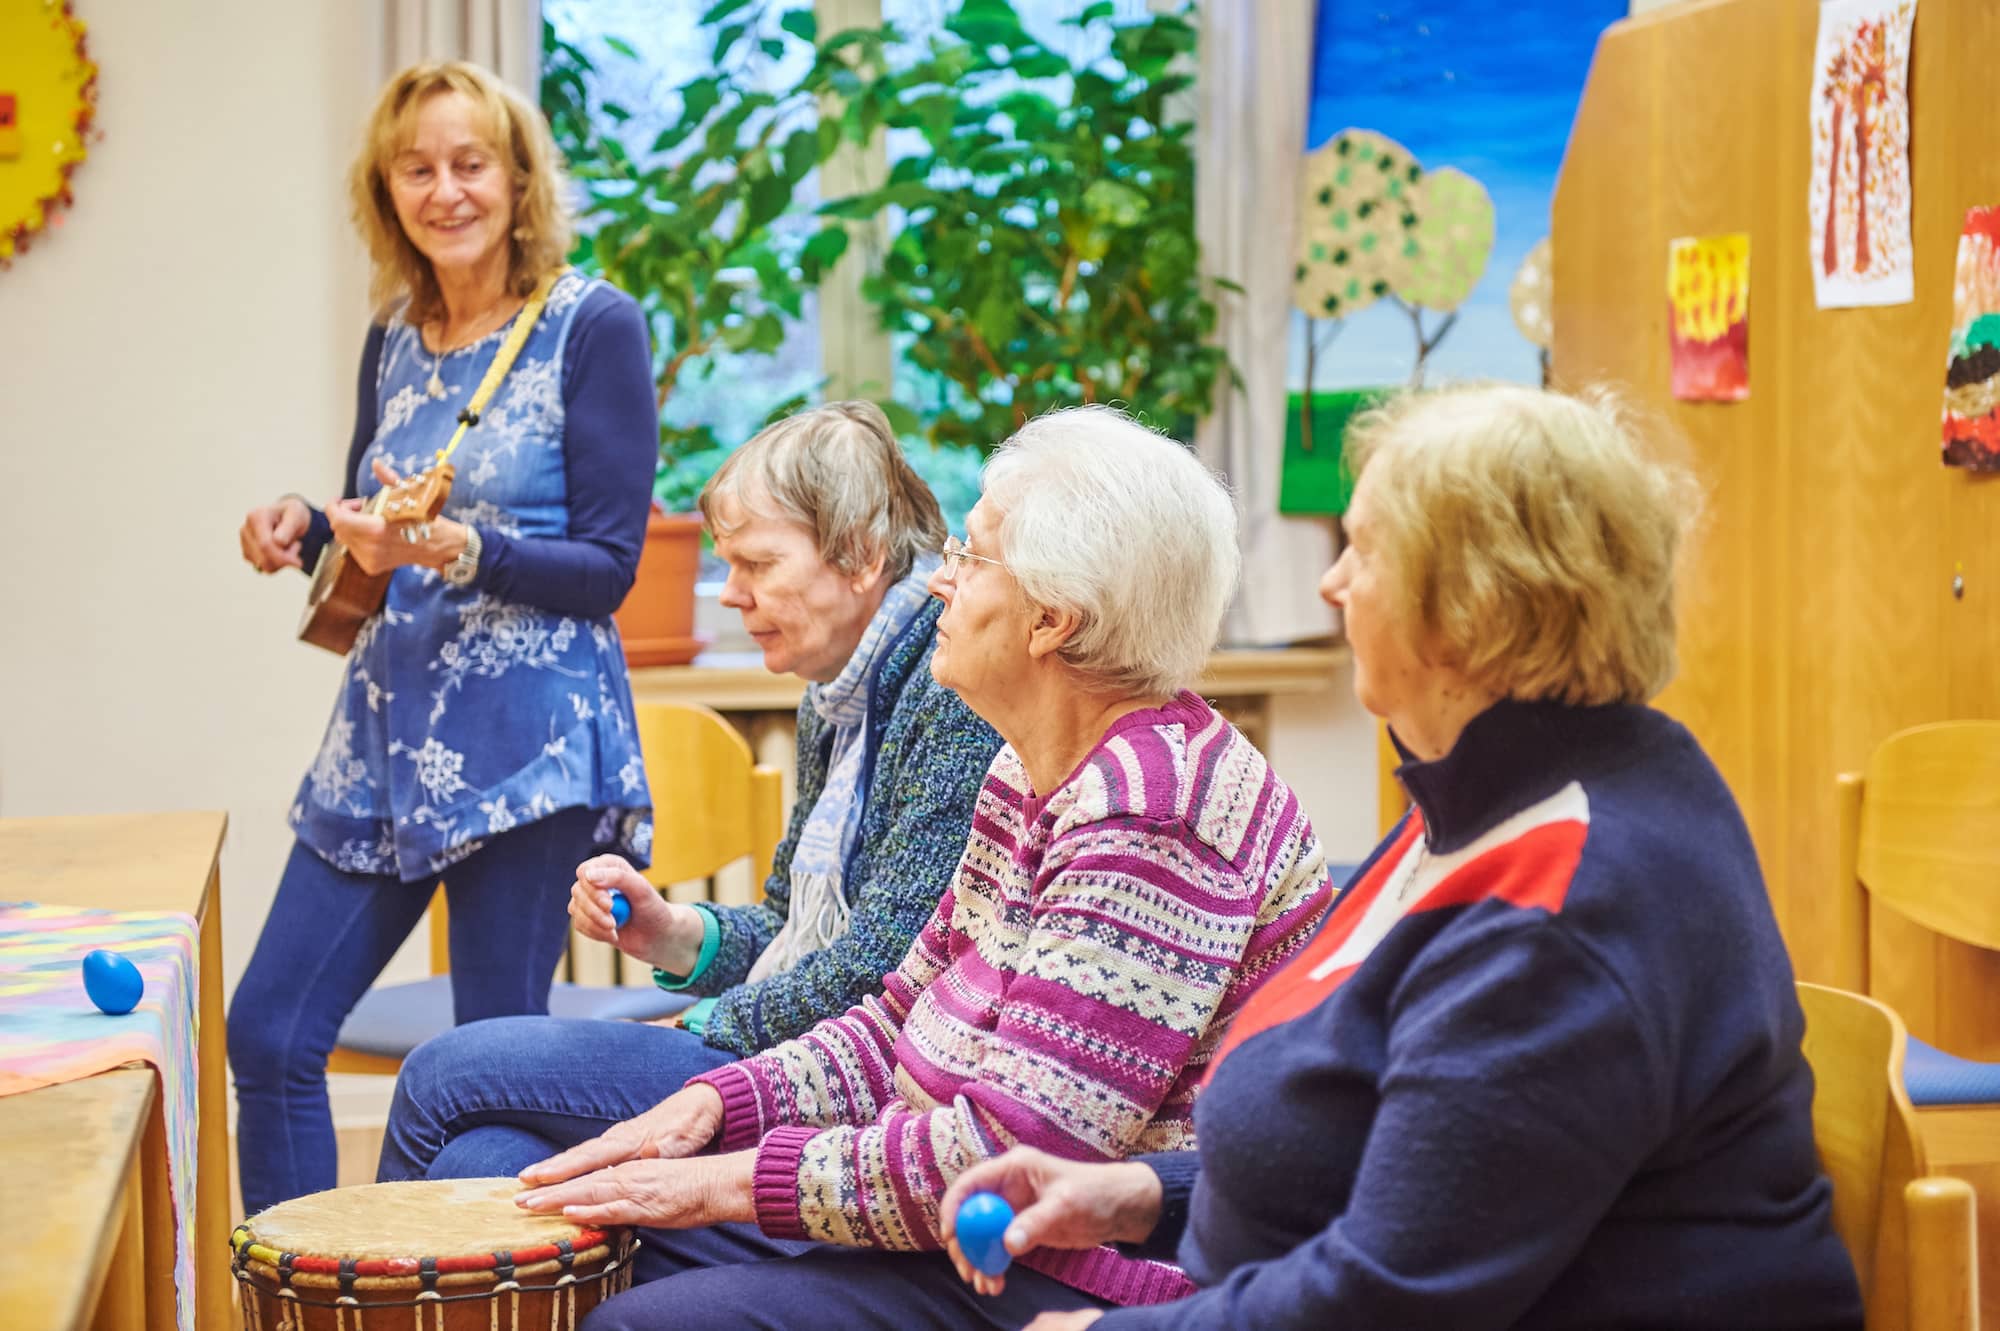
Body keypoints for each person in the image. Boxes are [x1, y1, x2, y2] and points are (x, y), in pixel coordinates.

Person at [935, 384, 1866, 1331]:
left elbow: (1388, 1299)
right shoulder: (1491, 794)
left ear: (1471, 605)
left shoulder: (1570, 907)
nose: (1332, 584)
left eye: (1365, 551)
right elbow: (1397, 1151)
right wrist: (1140, 1193)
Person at [504, 405, 1336, 1331]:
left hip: (1073, 1272)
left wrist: (721, 1180)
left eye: (970, 558)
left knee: (629, 1313)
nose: (939, 580)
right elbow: (902, 1010)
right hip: (946, 1217)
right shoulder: (1029, 769)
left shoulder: (1154, 813)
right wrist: (720, 1098)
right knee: (516, 1195)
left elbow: (1004, 1156)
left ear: (1052, 620)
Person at [228, 60, 659, 1213]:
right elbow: (382, 521)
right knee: (268, 1030)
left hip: (528, 752)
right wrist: (310, 523)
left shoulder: (591, 325)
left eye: (470, 163)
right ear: (386, 191)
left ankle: (471, 1288)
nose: (445, 189)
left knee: (483, 1067)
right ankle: (302, 1285)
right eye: (415, 168)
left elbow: (608, 570)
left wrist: (455, 548)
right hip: (383, 736)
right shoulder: (393, 336)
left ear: (517, 181)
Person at [377, 400, 1004, 1182]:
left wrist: (704, 1023)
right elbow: (787, 924)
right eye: (726, 564)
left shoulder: (948, 693)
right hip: (782, 1045)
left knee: (440, 1072)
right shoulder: (835, 697)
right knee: (481, 1160)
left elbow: (885, 963)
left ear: (863, 557)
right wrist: (671, 933)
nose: (731, 592)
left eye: (758, 564)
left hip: (844, 1082)